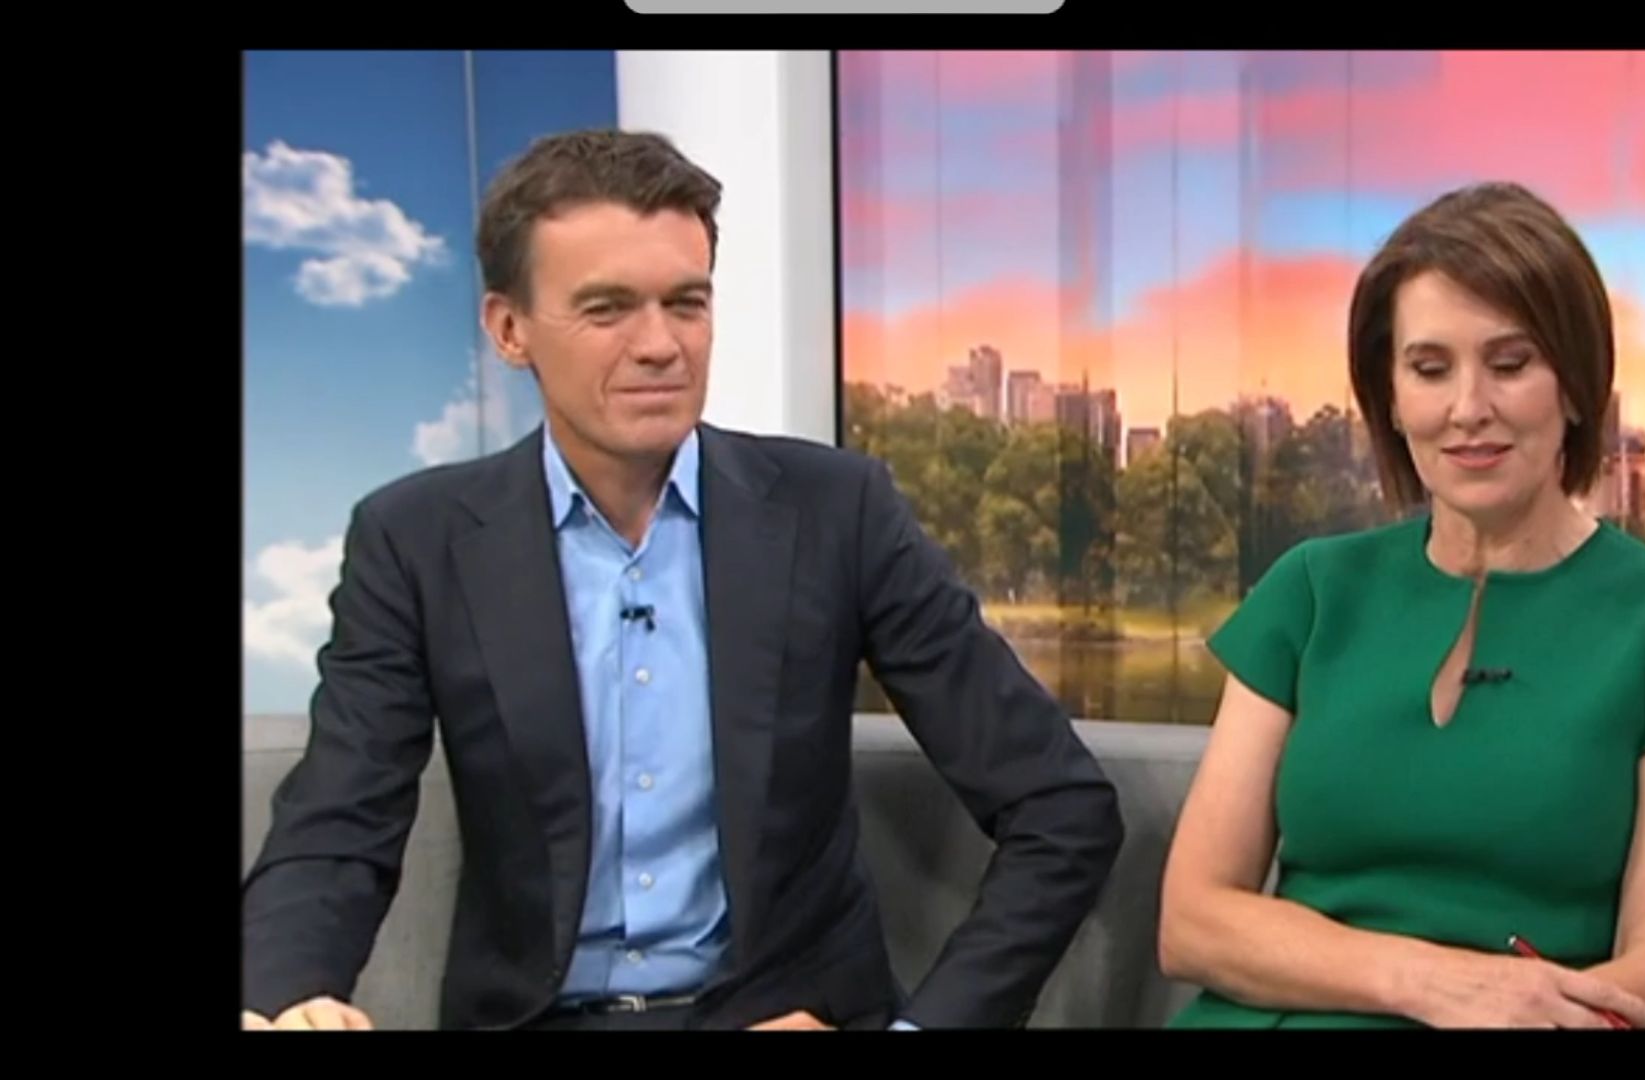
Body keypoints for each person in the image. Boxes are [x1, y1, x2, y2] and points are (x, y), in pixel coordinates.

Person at [240, 129, 1124, 1031]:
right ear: (509, 330)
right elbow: (338, 824)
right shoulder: (417, 540)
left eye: (686, 302)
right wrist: (287, 1001)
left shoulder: (836, 512)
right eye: (607, 309)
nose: (660, 345)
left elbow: (1060, 807)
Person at [1155, 182, 1645, 1029]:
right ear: (1391, 399)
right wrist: (1429, 982)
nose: (1469, 409)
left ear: (1575, 388)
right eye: (1430, 369)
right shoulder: (1312, 591)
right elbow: (1193, 923)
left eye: (1510, 365)